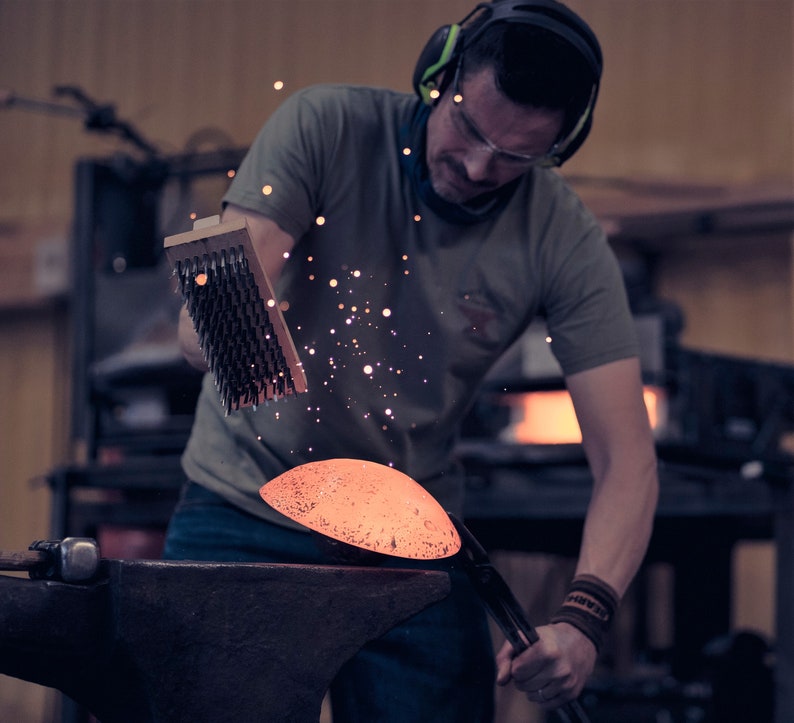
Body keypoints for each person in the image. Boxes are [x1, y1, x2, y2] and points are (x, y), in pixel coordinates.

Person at [164, 1, 659, 720]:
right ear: (438, 75)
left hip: (405, 528)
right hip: (244, 500)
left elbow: (628, 460)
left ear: (561, 145)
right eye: (470, 128)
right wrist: (220, 328)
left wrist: (583, 620)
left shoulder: (564, 237)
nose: (479, 166)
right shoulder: (324, 125)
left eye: (517, 156)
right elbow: (225, 282)